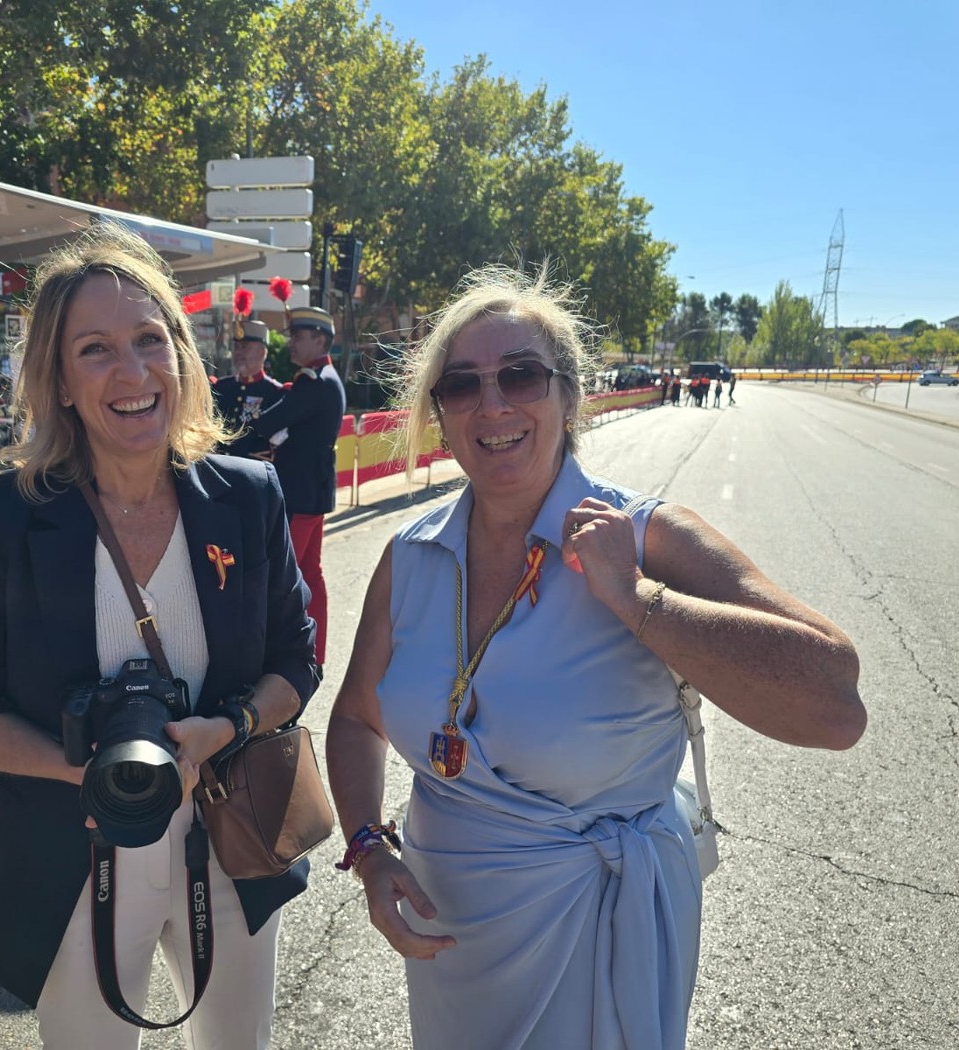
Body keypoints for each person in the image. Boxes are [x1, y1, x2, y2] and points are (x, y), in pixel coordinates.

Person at [325, 264, 865, 1049]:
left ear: (571, 395)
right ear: (439, 411)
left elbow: (835, 702)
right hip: (449, 944)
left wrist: (638, 600)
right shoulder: (410, 554)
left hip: (601, 935)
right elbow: (353, 719)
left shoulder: (648, 537)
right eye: (463, 385)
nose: (494, 404)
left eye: (521, 375)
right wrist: (369, 849)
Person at [0, 222, 317, 1049]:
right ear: (59, 381)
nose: (132, 372)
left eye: (149, 339)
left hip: (230, 838)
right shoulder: (2, 517)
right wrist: (80, 768)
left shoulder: (249, 497)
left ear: (182, 354)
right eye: (95, 349)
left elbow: (296, 660)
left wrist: (228, 728)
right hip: (74, 853)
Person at [231, 305, 346, 674]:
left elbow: (271, 423)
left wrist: (228, 444)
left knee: (282, 579)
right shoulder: (327, 376)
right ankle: (317, 652)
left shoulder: (314, 381)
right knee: (310, 573)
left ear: (320, 340)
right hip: (314, 493)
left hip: (298, 494)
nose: (291, 342)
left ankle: (279, 661)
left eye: (298, 336)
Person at [212, 318, 284, 455]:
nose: (238, 352)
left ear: (262, 353)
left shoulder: (275, 393)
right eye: (236, 347)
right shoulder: (220, 388)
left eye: (245, 347)